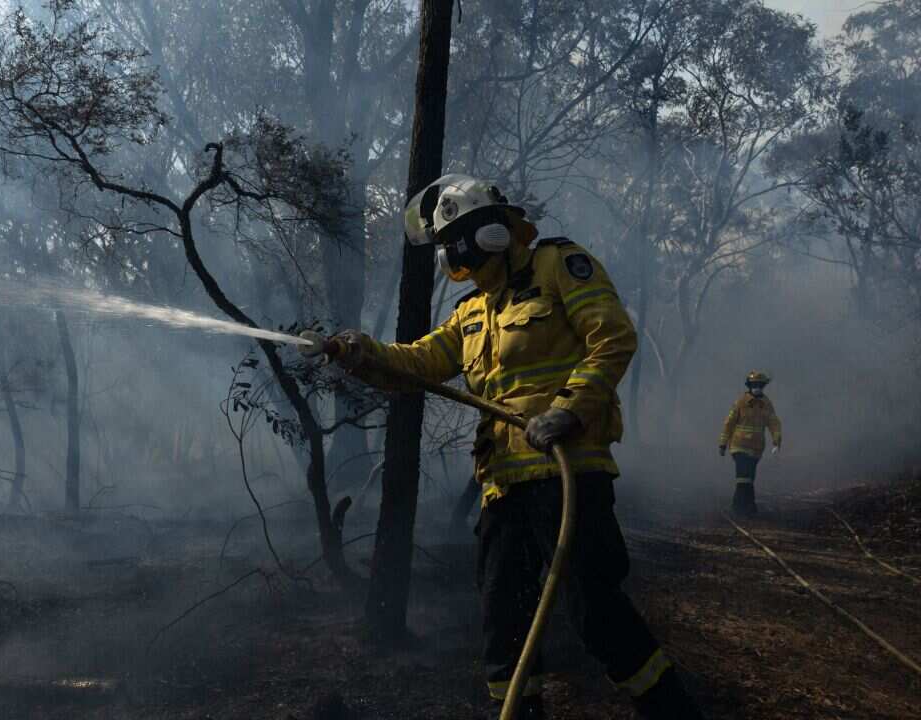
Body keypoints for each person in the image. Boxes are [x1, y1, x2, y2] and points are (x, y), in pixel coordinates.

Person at [327, 175, 702, 719]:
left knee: (592, 608)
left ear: (492, 233)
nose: (461, 265)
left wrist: (568, 410)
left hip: (569, 472)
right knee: (502, 622)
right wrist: (361, 352)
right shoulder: (473, 310)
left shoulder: (560, 266)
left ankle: (674, 712)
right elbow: (420, 363)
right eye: (451, 257)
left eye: (460, 248)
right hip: (502, 485)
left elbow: (614, 337)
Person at [718, 371, 783, 517]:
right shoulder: (740, 402)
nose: (757, 388)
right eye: (755, 385)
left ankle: (746, 508)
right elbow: (729, 424)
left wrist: (776, 441)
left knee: (749, 477)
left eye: (760, 385)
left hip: (756, 448)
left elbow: (774, 423)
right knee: (743, 476)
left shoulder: (766, 404)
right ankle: (741, 507)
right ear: (749, 386)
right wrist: (722, 443)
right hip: (738, 446)